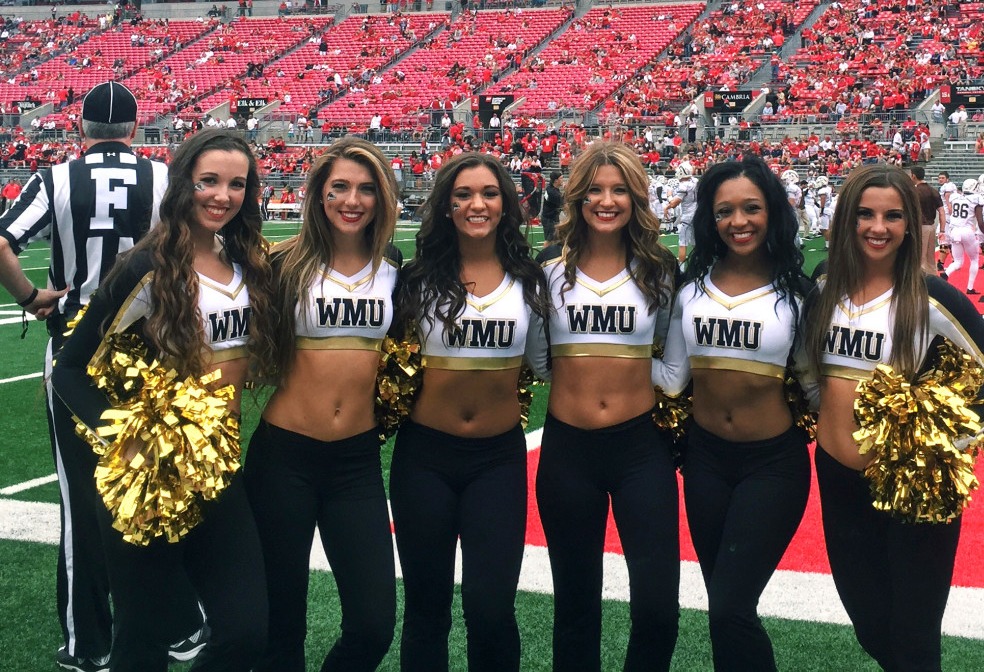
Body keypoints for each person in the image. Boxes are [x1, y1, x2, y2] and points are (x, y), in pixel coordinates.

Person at [0, 81, 207, 672]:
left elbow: (1, 242)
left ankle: (87, 642)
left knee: (82, 501)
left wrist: (33, 295)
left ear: (79, 130)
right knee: (163, 486)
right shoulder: (166, 177)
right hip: (152, 347)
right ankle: (178, 623)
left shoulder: (54, 179)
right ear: (136, 130)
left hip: (76, 349)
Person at [50, 128, 272, 670]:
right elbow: (70, 370)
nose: (222, 195)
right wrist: (126, 436)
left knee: (245, 629)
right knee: (142, 640)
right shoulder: (145, 266)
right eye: (209, 181)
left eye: (236, 184)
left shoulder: (249, 262)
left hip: (220, 468)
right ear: (181, 184)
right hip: (150, 479)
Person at [800, 164, 984, 671]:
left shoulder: (930, 296)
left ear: (909, 225)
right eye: (866, 214)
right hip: (837, 478)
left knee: (916, 635)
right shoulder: (824, 286)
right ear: (847, 219)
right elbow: (808, 369)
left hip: (913, 484)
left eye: (893, 216)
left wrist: (943, 438)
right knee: (869, 622)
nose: (878, 227)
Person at [245, 137, 399, 670]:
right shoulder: (282, 263)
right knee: (278, 626)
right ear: (318, 194)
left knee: (375, 623)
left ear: (382, 198)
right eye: (339, 187)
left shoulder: (392, 266)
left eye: (365, 189)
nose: (351, 200)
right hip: (282, 458)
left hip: (355, 464)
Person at [652, 156, 812, 670]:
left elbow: (813, 383)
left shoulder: (799, 293)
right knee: (724, 602)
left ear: (773, 213)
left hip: (773, 466)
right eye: (724, 211)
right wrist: (606, 353)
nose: (738, 221)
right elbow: (674, 376)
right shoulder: (690, 289)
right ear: (709, 218)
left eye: (751, 208)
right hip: (704, 462)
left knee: (729, 607)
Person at [391, 152, 549, 670]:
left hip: (497, 462)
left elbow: (546, 365)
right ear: (445, 207)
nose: (475, 204)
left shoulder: (530, 280)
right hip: (424, 459)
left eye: (488, 194)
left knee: (490, 607)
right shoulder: (414, 279)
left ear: (506, 205)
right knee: (426, 608)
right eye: (462, 195)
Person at [533, 142, 680, 671]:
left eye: (619, 190)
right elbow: (539, 357)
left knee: (659, 606)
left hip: (641, 450)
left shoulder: (659, 269)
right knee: (575, 606)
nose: (606, 200)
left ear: (636, 198)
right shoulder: (549, 269)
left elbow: (672, 360)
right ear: (577, 196)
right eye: (594, 189)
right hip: (568, 451)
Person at [942, 179, 984, 294]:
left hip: (954, 231)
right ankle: (970, 287)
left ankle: (945, 274)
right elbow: (980, 222)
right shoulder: (977, 198)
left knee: (957, 262)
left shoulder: (955, 197)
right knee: (974, 259)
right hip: (967, 231)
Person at [909, 166, 945, 276]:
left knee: (919, 258)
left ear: (913, 176)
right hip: (931, 226)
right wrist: (942, 230)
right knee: (930, 259)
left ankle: (919, 284)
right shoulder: (933, 190)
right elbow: (942, 212)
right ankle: (933, 283)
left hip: (919, 226)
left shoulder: (914, 192)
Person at [663, 162, 697, 262]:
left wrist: (669, 198)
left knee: (682, 243)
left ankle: (681, 268)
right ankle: (702, 264)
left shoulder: (683, 186)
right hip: (697, 214)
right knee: (695, 242)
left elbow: (674, 203)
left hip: (688, 216)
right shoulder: (695, 181)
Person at [541, 170, 563, 248]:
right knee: (549, 240)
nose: (562, 180)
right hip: (549, 219)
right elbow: (563, 204)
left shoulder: (551, 188)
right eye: (561, 178)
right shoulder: (553, 193)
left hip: (552, 217)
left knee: (557, 239)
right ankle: (544, 256)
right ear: (556, 180)